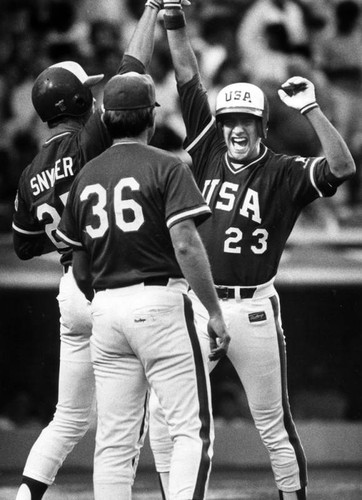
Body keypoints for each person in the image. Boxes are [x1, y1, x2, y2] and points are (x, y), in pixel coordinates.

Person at [145, 2, 356, 500]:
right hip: (199, 306)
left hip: (254, 306)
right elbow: (188, 78)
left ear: (262, 126)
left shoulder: (284, 170)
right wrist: (173, 21)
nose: (236, 129)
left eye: (246, 121)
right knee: (161, 416)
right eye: (229, 120)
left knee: (273, 426)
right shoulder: (210, 150)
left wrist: (311, 109)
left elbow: (343, 168)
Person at [11, 4, 164, 500]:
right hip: (109, 283)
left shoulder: (30, 171)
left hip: (69, 292)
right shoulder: (91, 142)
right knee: (127, 424)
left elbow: (23, 243)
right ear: (81, 101)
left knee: (69, 417)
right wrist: (154, 9)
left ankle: (23, 498)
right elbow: (133, 71)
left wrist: (63, 230)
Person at [55, 70, 230, 500]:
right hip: (159, 301)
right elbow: (186, 245)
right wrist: (215, 311)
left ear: (107, 118)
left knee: (114, 444)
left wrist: (105, 299)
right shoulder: (168, 165)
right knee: (190, 432)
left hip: (105, 309)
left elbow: (78, 263)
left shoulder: (87, 173)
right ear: (150, 118)